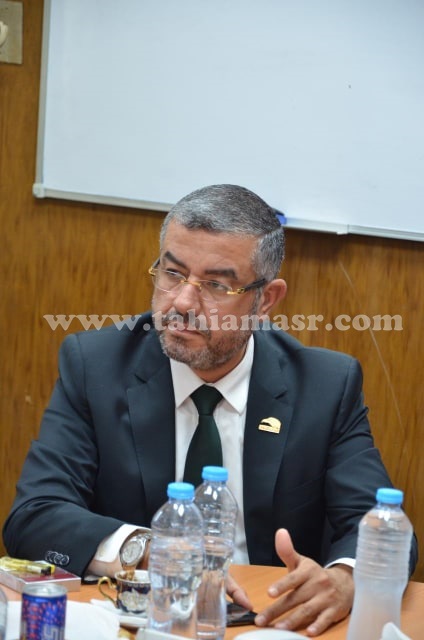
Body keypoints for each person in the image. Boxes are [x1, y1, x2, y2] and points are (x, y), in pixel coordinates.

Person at [3, 184, 418, 636]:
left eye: (216, 285)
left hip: (268, 622)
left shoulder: (324, 386)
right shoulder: (97, 366)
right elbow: (35, 516)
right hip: (142, 620)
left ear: (266, 300)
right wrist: (153, 551)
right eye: (172, 273)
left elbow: (381, 525)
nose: (182, 303)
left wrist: (346, 578)